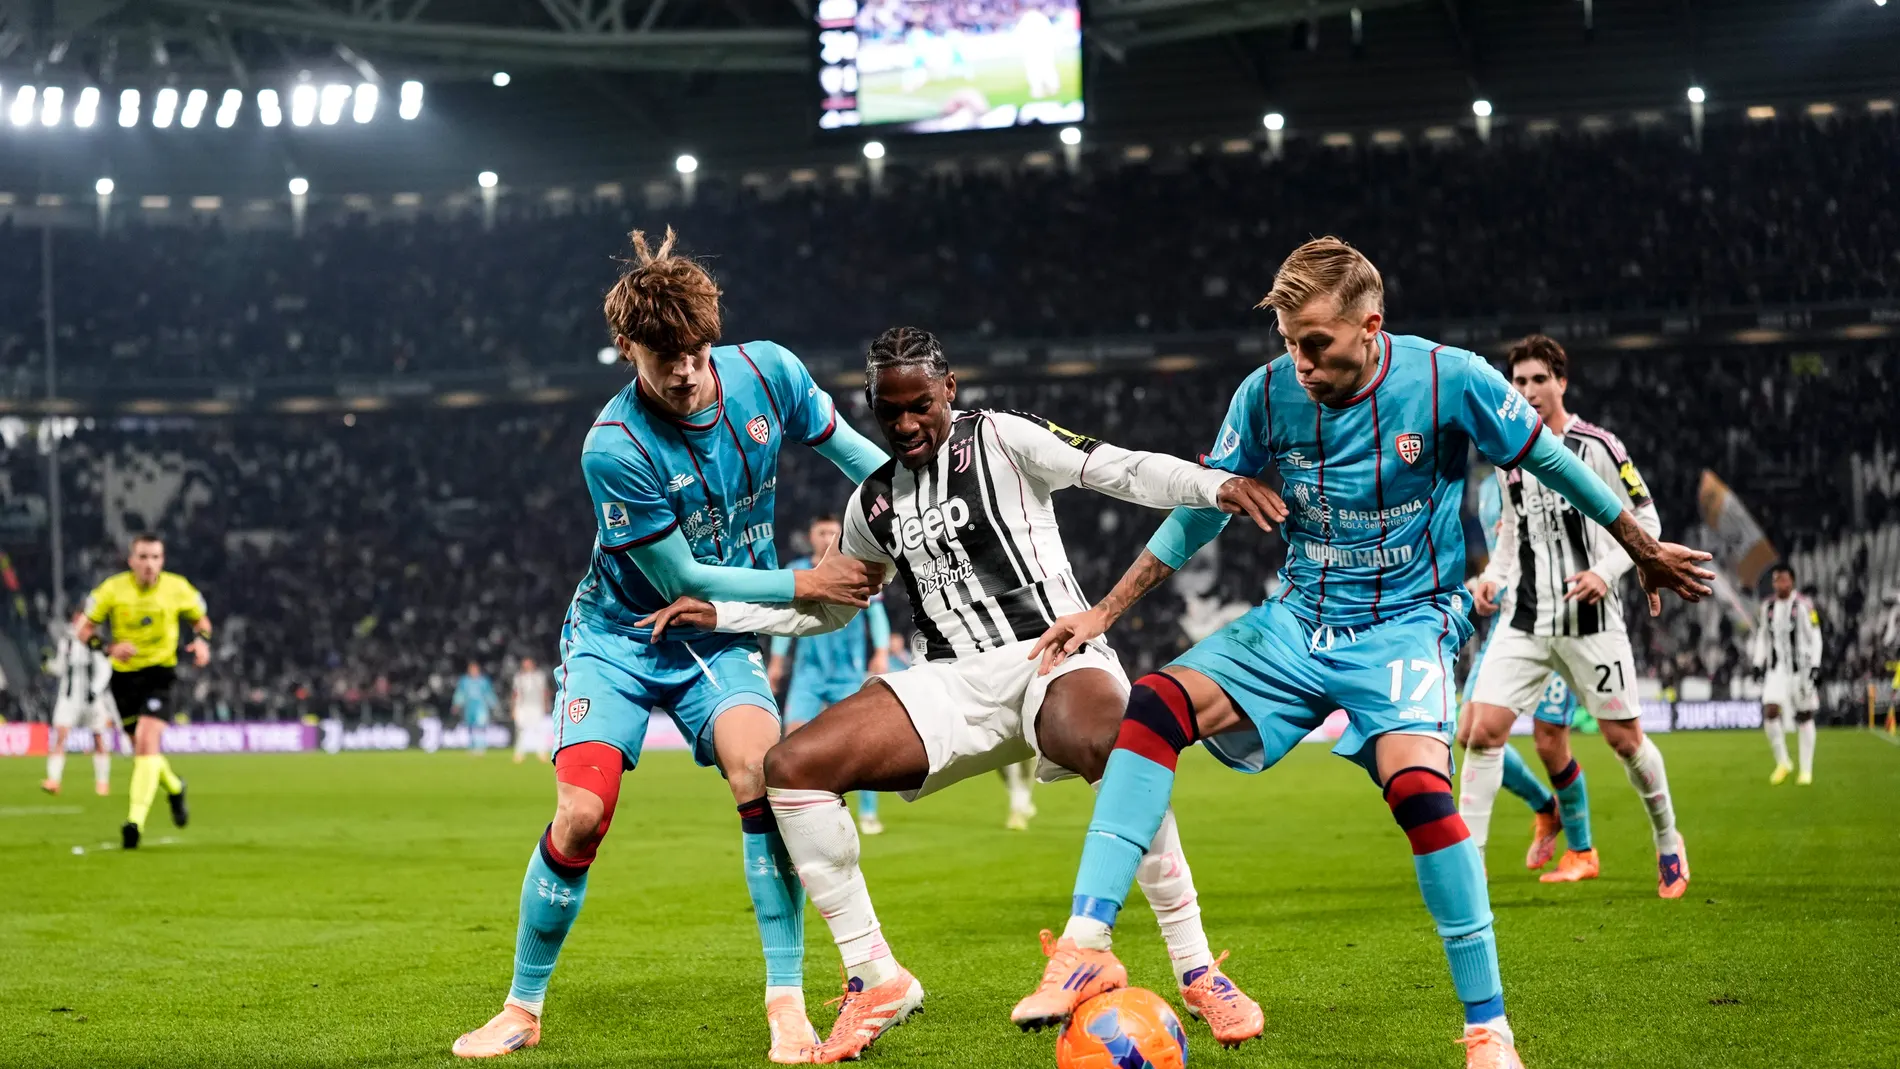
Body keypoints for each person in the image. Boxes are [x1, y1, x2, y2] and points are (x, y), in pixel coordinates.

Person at [1009, 240, 1714, 1069]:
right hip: (1299, 617)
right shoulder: (1266, 395)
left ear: (1370, 326)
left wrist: (1644, 543)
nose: (1299, 362)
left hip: (1408, 624)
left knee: (1420, 791)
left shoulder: (1454, 379)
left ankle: (1488, 1031)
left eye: (1315, 343)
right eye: (1286, 342)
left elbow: (1555, 462)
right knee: (1154, 706)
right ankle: (1089, 937)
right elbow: (1207, 508)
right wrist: (1104, 609)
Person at [641, 325, 1287, 1064]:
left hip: (1053, 654)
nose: (908, 424)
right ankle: (877, 976)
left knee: (1118, 741)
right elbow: (828, 604)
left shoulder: (1005, 439)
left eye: (922, 404)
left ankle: (1197, 968)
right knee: (793, 767)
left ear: (950, 387)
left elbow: (1120, 469)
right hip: (952, 682)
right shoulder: (873, 502)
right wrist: (723, 613)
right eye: (890, 412)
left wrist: (1216, 484)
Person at [451, 228, 888, 1063]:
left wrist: (915, 499)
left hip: (718, 638)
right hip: (619, 633)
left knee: (766, 777)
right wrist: (808, 581)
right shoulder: (613, 447)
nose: (685, 370)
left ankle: (787, 1000)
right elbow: (684, 573)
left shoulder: (772, 375)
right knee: (580, 815)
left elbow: (859, 460)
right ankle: (523, 1004)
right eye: (663, 357)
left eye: (695, 350)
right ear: (627, 349)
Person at [1462, 335, 1680, 895]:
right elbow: (1512, 541)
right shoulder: (1507, 457)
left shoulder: (1599, 446)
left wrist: (1603, 573)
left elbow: (1647, 523)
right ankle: (1469, 864)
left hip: (1592, 620)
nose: (1529, 391)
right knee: (1481, 732)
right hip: (1526, 621)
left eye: (1539, 379)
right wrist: (1492, 580)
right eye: (1519, 381)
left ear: (1561, 381)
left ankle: (1668, 841)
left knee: (1625, 741)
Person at [1453, 475, 1589, 879]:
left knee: (1550, 742)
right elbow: (1503, 553)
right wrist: (1484, 584)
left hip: (1553, 619)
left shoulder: (1553, 467)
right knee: (1469, 733)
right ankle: (1547, 808)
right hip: (1505, 626)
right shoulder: (1486, 487)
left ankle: (1582, 851)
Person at [76, 534, 213, 850]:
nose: (149, 564)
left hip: (160, 675)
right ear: (131, 560)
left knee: (148, 741)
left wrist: (203, 642)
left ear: (162, 560)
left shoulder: (178, 587)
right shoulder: (112, 589)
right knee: (142, 749)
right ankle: (176, 787)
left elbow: (201, 620)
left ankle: (134, 823)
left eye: (155, 557)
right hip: (124, 680)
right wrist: (108, 647)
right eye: (143, 557)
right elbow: (84, 629)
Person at [769, 514, 892, 835]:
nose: (827, 538)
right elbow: (783, 620)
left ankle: (867, 813)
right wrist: (777, 661)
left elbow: (875, 613)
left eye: (832, 532)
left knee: (861, 745)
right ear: (811, 535)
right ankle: (800, 814)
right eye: (821, 532)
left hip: (847, 673)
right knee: (792, 740)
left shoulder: (856, 569)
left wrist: (880, 651)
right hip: (808, 673)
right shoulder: (797, 571)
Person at [1753, 564, 1823, 785]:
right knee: (1770, 711)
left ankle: (1806, 769)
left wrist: (1815, 665)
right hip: (1777, 670)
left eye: (1783, 580)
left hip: (1800, 670)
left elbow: (1816, 637)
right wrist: (1757, 663)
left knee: (1804, 716)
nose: (1780, 585)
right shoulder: (1768, 607)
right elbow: (1763, 637)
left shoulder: (1804, 606)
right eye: (1776, 581)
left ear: (1792, 581)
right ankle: (1783, 762)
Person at [42, 610, 117, 797]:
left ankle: (102, 783)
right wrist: (48, 664)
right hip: (68, 698)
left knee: (99, 739)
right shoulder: (66, 642)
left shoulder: (95, 643)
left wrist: (95, 690)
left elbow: (105, 669)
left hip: (92, 699)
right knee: (60, 736)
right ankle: (53, 780)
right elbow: (60, 668)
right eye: (77, 619)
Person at [511, 657, 553, 764]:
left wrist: (546, 705)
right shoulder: (519, 677)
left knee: (539, 730)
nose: (527, 666)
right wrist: (514, 708)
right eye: (525, 664)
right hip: (522, 707)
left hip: (536, 706)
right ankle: (519, 754)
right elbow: (515, 694)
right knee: (521, 730)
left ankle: (542, 753)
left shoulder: (539, 676)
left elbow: (544, 691)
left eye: (529, 664)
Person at [453, 662, 501, 756]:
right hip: (469, 707)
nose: (473, 671)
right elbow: (460, 693)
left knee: (480, 727)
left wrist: (494, 704)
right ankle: (472, 746)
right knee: (470, 727)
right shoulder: (465, 681)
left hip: (481, 707)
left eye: (475, 669)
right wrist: (456, 704)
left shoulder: (483, 681)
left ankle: (480, 747)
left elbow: (489, 693)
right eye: (471, 669)